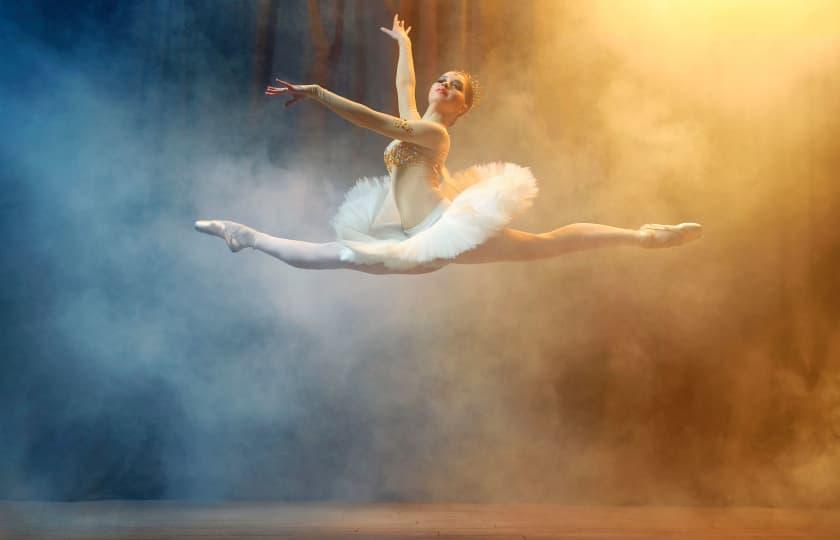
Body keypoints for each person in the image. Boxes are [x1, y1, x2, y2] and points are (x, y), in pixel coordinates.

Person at [195, 14, 702, 275]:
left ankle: (642, 235)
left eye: (455, 86)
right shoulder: (419, 116)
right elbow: (403, 90)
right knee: (325, 259)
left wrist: (317, 92)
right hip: (410, 237)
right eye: (444, 79)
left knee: (545, 245)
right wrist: (405, 45)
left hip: (444, 226)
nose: (445, 85)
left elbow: (376, 119)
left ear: (461, 109)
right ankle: (246, 236)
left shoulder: (433, 134)